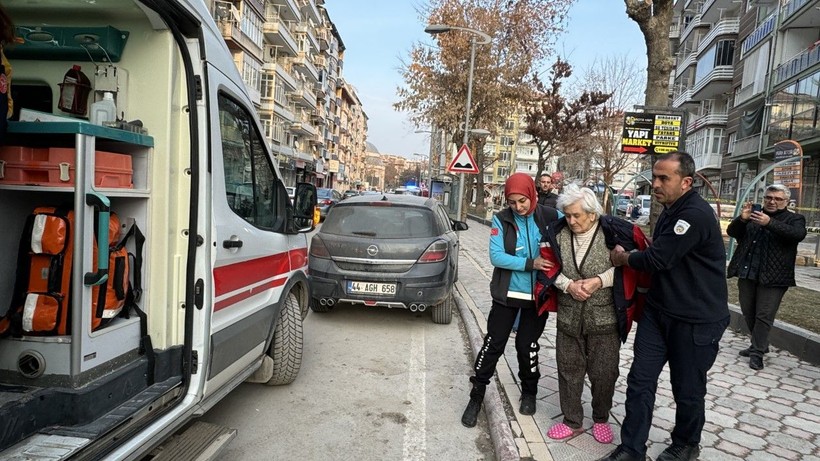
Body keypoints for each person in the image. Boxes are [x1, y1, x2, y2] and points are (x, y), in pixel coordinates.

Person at [602, 152, 729, 461]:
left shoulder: (694, 215)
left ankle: (686, 444)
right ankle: (632, 448)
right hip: (658, 314)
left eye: (663, 179)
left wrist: (623, 258)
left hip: (695, 320)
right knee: (639, 381)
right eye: (654, 177)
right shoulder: (671, 210)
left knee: (686, 389)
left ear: (686, 182)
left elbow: (659, 258)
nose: (655, 184)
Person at [535, 184, 649, 445]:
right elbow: (547, 267)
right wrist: (568, 285)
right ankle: (572, 421)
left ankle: (600, 418)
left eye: (576, 215)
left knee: (605, 373)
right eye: (567, 215)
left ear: (592, 214)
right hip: (569, 316)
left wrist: (599, 280)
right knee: (568, 370)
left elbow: (627, 269)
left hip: (605, 319)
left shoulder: (614, 234)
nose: (571, 220)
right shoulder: (558, 234)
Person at [461, 172, 560, 428]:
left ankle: (530, 391)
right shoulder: (501, 219)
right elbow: (497, 257)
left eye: (522, 201)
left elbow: (576, 227)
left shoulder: (549, 216)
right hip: (507, 296)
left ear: (532, 194)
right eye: (513, 201)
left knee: (528, 347)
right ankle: (477, 395)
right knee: (493, 344)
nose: (518, 207)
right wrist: (531, 263)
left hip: (537, 297)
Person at [727, 184, 807, 371]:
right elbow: (733, 232)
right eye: (769, 198)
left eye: (778, 199)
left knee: (764, 315)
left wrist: (769, 223)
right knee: (748, 311)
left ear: (786, 201)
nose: (772, 201)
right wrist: (742, 219)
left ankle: (757, 353)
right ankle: (760, 344)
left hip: (774, 277)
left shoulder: (795, 219)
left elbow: (797, 234)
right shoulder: (754, 216)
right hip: (748, 272)